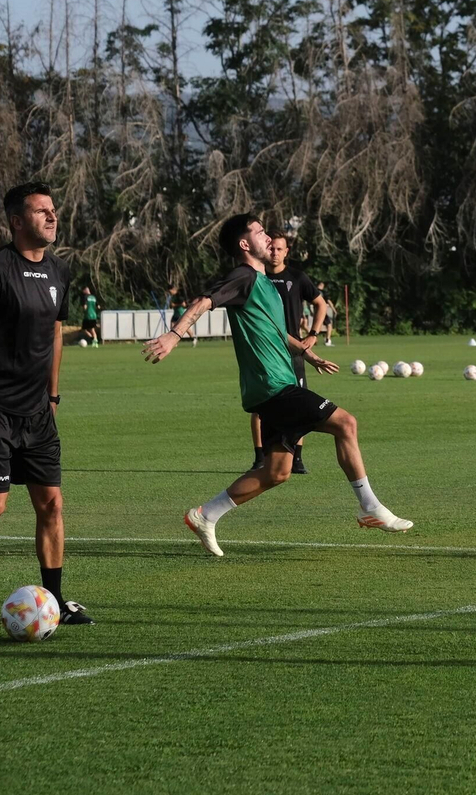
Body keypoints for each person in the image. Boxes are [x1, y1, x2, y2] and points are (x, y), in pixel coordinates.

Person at [143, 213, 411, 557]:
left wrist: (307, 354)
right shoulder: (242, 277)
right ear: (244, 244)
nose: (267, 236)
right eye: (258, 232)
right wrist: (174, 334)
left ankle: (205, 515)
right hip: (273, 386)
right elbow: (203, 301)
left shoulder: (264, 283)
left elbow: (275, 332)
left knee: (277, 472)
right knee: (346, 423)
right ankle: (369, 508)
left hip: (275, 385)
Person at [0, 181, 94, 629]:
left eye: (53, 209)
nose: (52, 216)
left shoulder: (60, 272)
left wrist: (53, 396)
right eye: (41, 211)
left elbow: (53, 335)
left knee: (51, 504)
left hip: (37, 414)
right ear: (16, 221)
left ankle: (55, 599)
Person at [250, 233, 328, 476]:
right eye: (271, 248)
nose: (274, 252)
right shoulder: (256, 278)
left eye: (279, 249)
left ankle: (297, 458)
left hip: (294, 351)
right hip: (264, 352)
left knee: (301, 402)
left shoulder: (297, 277)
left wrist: (314, 334)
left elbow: (320, 304)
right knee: (259, 406)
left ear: (286, 252)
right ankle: (260, 457)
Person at [313, 280, 335, 347]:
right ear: (322, 285)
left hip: (316, 310)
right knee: (329, 325)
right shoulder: (323, 292)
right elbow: (328, 301)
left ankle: (314, 340)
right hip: (322, 310)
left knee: (317, 325)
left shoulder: (314, 291)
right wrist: (334, 309)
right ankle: (327, 340)